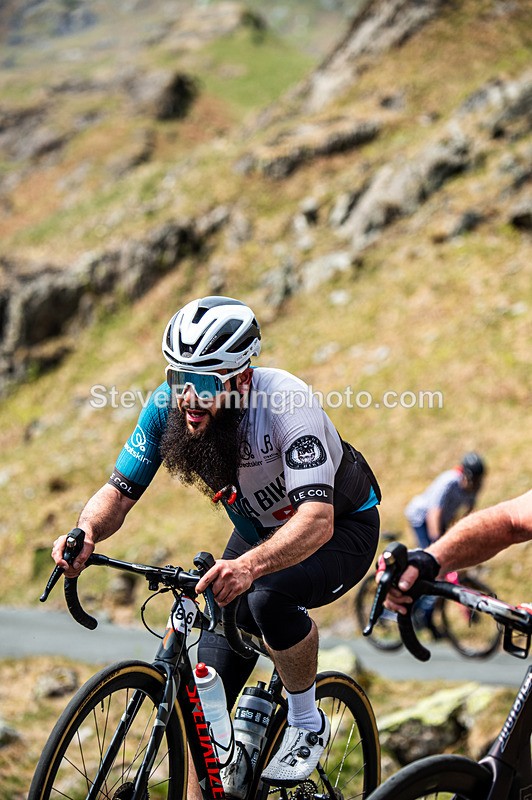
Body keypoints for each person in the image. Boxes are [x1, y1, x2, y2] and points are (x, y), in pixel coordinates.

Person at [51, 295, 381, 793]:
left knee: (267, 596)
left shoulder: (286, 405)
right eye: (177, 379)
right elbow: (118, 493)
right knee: (205, 711)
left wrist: (249, 567)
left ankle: (307, 723)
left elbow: (316, 520)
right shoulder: (171, 408)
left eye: (203, 384)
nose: (187, 396)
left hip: (341, 529)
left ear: (242, 380)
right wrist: (86, 532)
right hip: (258, 534)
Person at [379, 489, 532, 616]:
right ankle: (418, 613)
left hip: (441, 521)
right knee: (433, 571)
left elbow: (471, 512)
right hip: (421, 518)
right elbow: (512, 520)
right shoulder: (450, 482)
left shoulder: (472, 491)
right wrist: (430, 558)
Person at [404, 452, 487, 549]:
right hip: (421, 517)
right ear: (466, 476)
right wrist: (437, 542)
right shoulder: (449, 482)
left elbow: (469, 511)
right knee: (430, 552)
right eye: (475, 481)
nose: (476, 485)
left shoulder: (474, 487)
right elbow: (433, 513)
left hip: (441, 518)